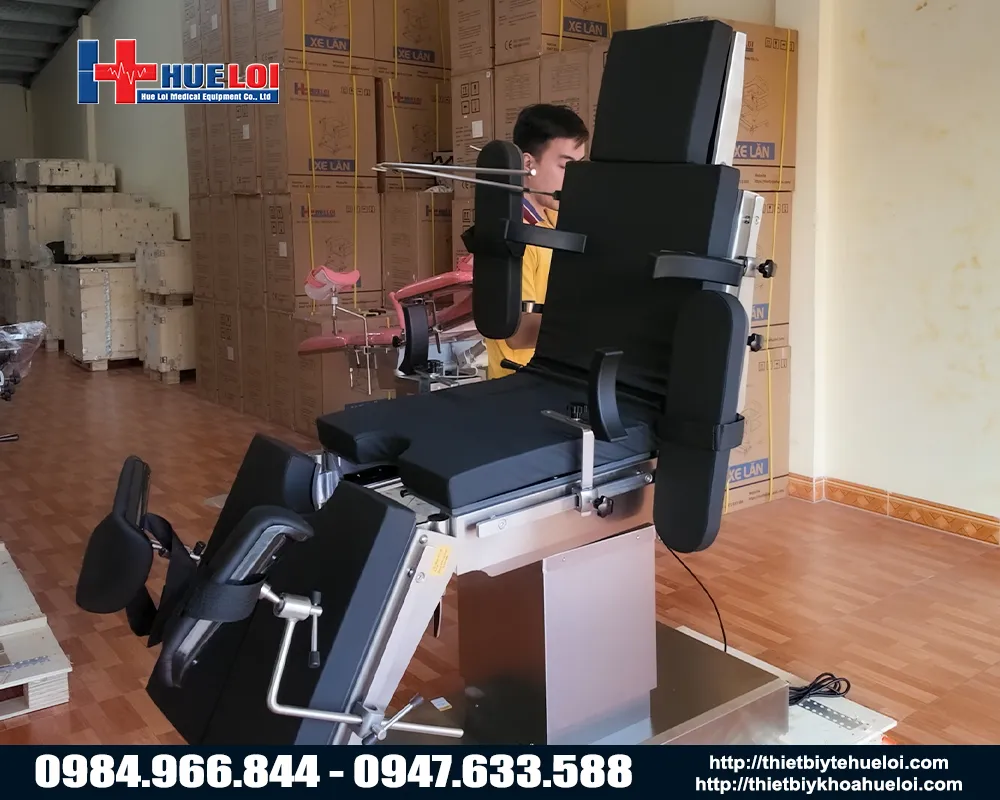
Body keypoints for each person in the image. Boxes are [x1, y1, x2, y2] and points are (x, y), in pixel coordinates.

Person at [484, 104, 589, 380]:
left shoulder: (556, 221)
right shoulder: (515, 235)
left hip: (559, 374)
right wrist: (593, 323)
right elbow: (516, 332)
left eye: (580, 167)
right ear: (528, 164)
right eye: (565, 166)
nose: (576, 179)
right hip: (518, 383)